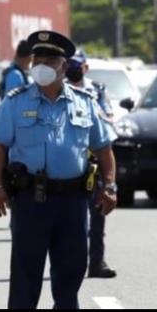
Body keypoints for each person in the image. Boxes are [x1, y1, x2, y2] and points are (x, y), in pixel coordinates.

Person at [0, 30, 118, 309]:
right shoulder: (16, 101)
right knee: (25, 277)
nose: (41, 64)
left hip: (72, 202)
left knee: (70, 274)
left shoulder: (84, 102)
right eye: (37, 58)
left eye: (49, 59)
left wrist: (110, 186)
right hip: (30, 200)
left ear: (63, 65)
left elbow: (104, 149)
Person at [65, 51, 118, 278]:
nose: (73, 70)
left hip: (95, 158)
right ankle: (69, 260)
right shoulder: (60, 90)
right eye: (69, 65)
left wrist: (95, 114)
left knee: (98, 215)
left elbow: (108, 116)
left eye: (77, 66)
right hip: (73, 160)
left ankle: (96, 262)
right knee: (72, 218)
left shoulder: (96, 90)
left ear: (85, 67)